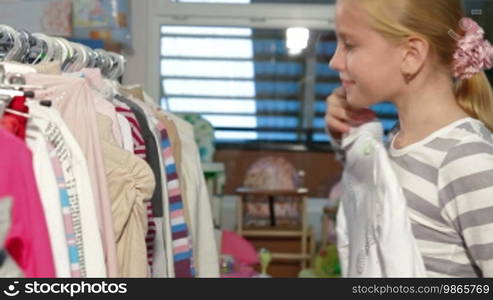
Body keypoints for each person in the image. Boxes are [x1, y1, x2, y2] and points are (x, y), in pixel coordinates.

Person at [325, 0, 493, 277]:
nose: (334, 61)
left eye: (350, 45)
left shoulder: (467, 161)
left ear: (411, 55)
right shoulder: (396, 140)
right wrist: (343, 131)